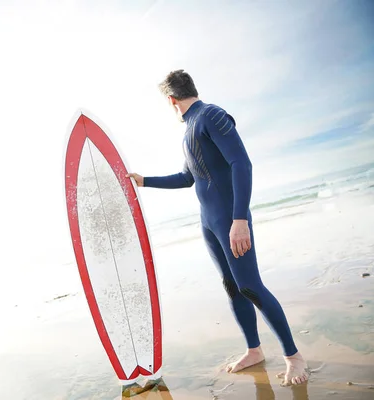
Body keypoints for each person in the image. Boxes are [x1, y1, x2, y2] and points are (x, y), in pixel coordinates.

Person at [126, 69, 309, 386]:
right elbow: (187, 178)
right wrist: (144, 182)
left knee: (251, 286)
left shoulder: (211, 115)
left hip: (229, 219)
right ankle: (254, 350)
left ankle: (294, 357)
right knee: (232, 286)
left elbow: (241, 162)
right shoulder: (188, 132)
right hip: (210, 223)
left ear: (171, 100)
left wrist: (240, 219)